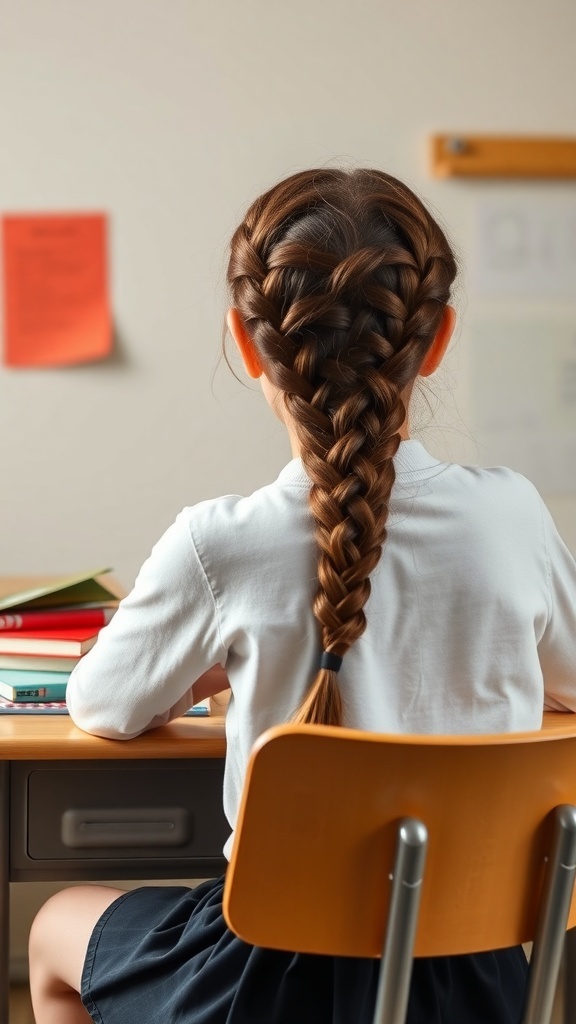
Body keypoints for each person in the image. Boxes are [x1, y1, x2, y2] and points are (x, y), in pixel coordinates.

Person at [28, 167, 576, 1024]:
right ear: (435, 342)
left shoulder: (219, 542)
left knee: (55, 926)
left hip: (267, 991)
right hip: (482, 986)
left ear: (247, 345)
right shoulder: (512, 514)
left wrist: (208, 676)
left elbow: (99, 704)